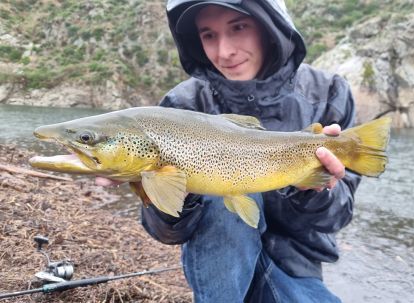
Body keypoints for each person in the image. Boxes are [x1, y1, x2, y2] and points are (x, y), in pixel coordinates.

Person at [97, 0, 361, 301]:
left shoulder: (329, 93)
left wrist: (312, 190)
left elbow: (337, 217)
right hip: (218, 269)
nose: (224, 51)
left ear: (268, 23)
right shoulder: (184, 105)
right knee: (220, 202)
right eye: (208, 35)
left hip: (297, 268)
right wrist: (170, 190)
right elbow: (165, 232)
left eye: (238, 27)